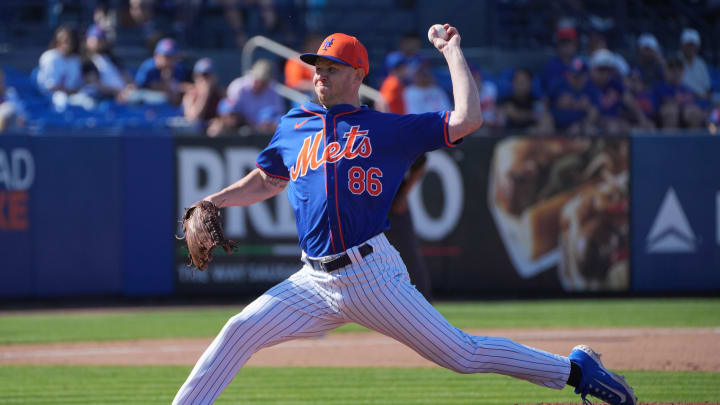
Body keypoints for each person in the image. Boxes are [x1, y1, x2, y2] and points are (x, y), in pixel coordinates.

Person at [172, 26, 636, 405]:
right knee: (237, 332)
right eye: (317, 66)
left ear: (357, 75)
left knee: (463, 354)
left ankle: (576, 371)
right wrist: (216, 200)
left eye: (331, 68)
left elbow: (467, 120)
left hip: (370, 275)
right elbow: (269, 180)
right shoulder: (294, 124)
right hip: (312, 282)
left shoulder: (387, 127)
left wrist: (453, 53)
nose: (319, 74)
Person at [219, 58, 285, 134]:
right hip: (239, 128)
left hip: (265, 133)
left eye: (264, 81)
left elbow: (280, 117)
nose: (260, 84)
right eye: (258, 79)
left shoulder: (273, 91)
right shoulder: (237, 87)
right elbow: (228, 111)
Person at [652, 56, 707, 129]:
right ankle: (669, 140)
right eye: (672, 69)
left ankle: (694, 140)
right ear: (665, 71)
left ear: (682, 71)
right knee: (671, 111)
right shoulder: (659, 87)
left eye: (679, 69)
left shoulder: (686, 89)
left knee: (694, 113)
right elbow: (656, 108)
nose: (676, 72)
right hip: (662, 120)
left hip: (685, 115)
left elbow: (699, 104)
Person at [133, 37, 188, 105]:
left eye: (171, 56)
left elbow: (178, 89)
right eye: (165, 56)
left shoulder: (178, 69)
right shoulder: (148, 68)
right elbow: (138, 88)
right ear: (156, 55)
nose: (168, 60)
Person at [83, 24, 130, 99]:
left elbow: (127, 78)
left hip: (125, 95)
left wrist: (130, 87)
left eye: (101, 39)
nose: (99, 42)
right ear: (87, 39)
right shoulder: (86, 61)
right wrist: (117, 92)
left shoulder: (113, 59)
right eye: (96, 38)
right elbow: (95, 84)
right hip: (106, 97)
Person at [500, 68, 553, 134]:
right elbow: (514, 115)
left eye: (524, 82)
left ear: (530, 84)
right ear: (513, 83)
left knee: (547, 120)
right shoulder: (506, 100)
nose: (521, 85)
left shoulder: (536, 101)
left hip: (532, 137)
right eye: (518, 82)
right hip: (509, 137)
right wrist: (532, 115)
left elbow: (544, 117)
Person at [36, 25, 83, 96]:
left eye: (71, 41)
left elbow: (77, 84)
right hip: (48, 96)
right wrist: (70, 92)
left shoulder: (75, 60)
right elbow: (50, 86)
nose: (69, 44)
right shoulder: (50, 57)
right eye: (65, 41)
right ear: (58, 41)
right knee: (61, 98)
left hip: (71, 95)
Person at [182, 58, 224, 125]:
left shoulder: (220, 94)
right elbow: (193, 118)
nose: (203, 80)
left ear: (215, 77)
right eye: (200, 75)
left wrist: (218, 122)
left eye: (207, 76)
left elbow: (228, 118)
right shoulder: (190, 95)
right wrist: (204, 95)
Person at [678, 28, 711, 100]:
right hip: (683, 100)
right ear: (682, 45)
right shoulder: (675, 62)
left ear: (697, 46)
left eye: (693, 45)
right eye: (688, 45)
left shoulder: (701, 63)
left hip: (702, 101)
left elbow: (707, 89)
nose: (690, 48)